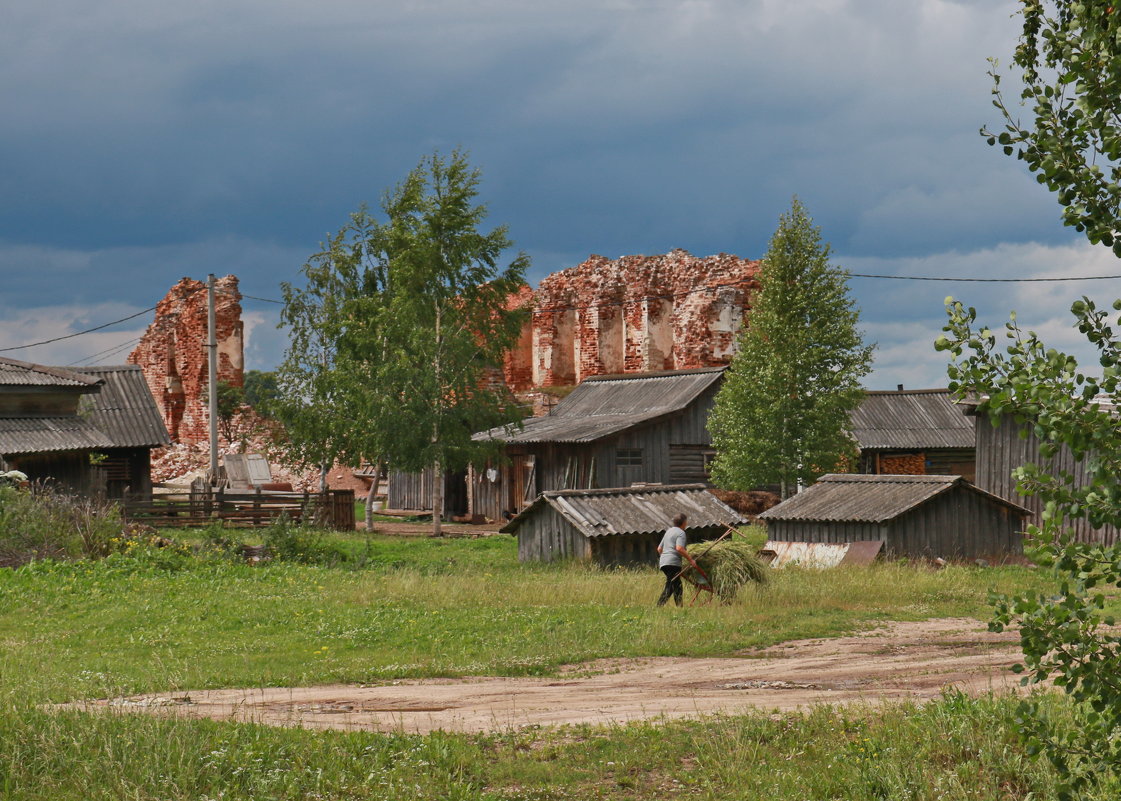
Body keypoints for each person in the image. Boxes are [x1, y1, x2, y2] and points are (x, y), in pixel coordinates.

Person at [656, 513, 698, 607]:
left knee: (677, 585)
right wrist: (691, 560)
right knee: (671, 586)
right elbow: (679, 548)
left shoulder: (669, 531)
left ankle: (680, 607)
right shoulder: (681, 533)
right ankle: (658, 606)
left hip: (663, 562)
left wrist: (666, 557)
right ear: (683, 523)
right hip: (673, 563)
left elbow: (659, 549)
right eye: (686, 522)